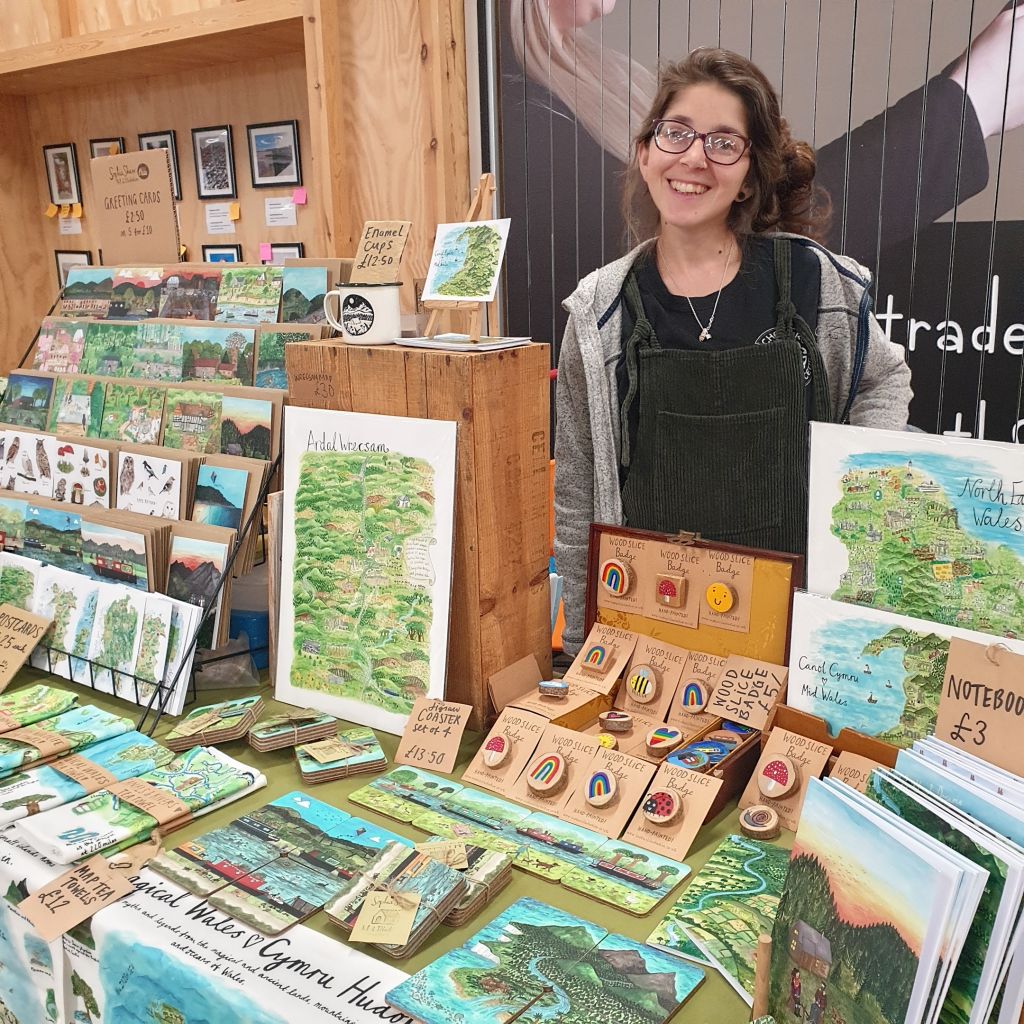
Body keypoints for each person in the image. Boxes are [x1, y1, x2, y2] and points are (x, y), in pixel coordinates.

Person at [553, 48, 913, 655]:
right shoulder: (601, 311)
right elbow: (577, 491)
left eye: (723, 143)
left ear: (748, 175)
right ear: (645, 153)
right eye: (676, 133)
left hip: (792, 632)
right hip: (650, 636)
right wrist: (581, 643)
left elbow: (883, 379)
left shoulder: (811, 281)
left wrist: (858, 505)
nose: (694, 158)